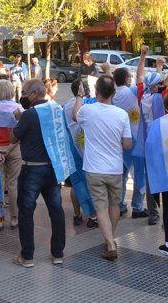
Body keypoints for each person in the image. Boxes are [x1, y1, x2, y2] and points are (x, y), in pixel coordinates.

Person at [73, 75, 132, 260]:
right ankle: (110, 240)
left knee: (101, 208)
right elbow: (128, 144)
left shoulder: (88, 110)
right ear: (113, 93)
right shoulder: (121, 114)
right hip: (115, 168)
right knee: (114, 205)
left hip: (94, 169)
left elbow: (74, 115)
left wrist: (79, 95)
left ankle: (111, 243)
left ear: (96, 91)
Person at [10, 79, 66, 267]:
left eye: (25, 92)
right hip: (52, 168)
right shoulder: (56, 110)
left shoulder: (29, 114)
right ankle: (58, 254)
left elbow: (14, 137)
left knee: (26, 211)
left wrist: (18, 120)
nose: (23, 96)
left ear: (34, 94)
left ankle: (27, 257)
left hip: (32, 168)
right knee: (56, 210)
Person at [135, 45, 168, 225]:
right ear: (158, 86)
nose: (164, 83)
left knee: (151, 179)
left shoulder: (143, 95)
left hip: (147, 144)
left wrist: (143, 55)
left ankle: (153, 215)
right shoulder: (165, 95)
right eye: (161, 82)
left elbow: (139, 76)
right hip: (165, 144)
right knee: (166, 179)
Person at [0, 80, 24, 230]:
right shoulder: (18, 108)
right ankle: (14, 217)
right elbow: (21, 132)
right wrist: (9, 147)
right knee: (13, 184)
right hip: (14, 148)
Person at [111, 64, 147, 219]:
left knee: (122, 174)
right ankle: (137, 207)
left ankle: (120, 205)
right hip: (135, 140)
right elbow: (141, 78)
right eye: (129, 77)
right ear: (126, 79)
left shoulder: (111, 95)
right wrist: (143, 57)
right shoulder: (132, 91)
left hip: (119, 140)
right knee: (139, 174)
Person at [62, 79, 98, 228]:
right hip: (87, 153)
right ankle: (93, 215)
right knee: (89, 184)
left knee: (75, 185)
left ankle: (77, 215)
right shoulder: (89, 104)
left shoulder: (64, 106)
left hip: (72, 152)